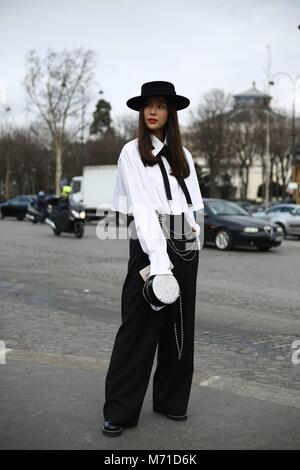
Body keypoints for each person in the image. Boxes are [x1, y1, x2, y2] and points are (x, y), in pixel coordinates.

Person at [102, 81, 204, 437]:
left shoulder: (184, 155)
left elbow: (193, 204)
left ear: (170, 112)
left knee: (179, 327)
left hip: (184, 244)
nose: (152, 111)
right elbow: (143, 210)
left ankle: (172, 401)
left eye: (160, 105)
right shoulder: (131, 152)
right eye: (147, 105)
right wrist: (159, 264)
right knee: (138, 324)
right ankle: (119, 409)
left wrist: (194, 237)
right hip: (148, 242)